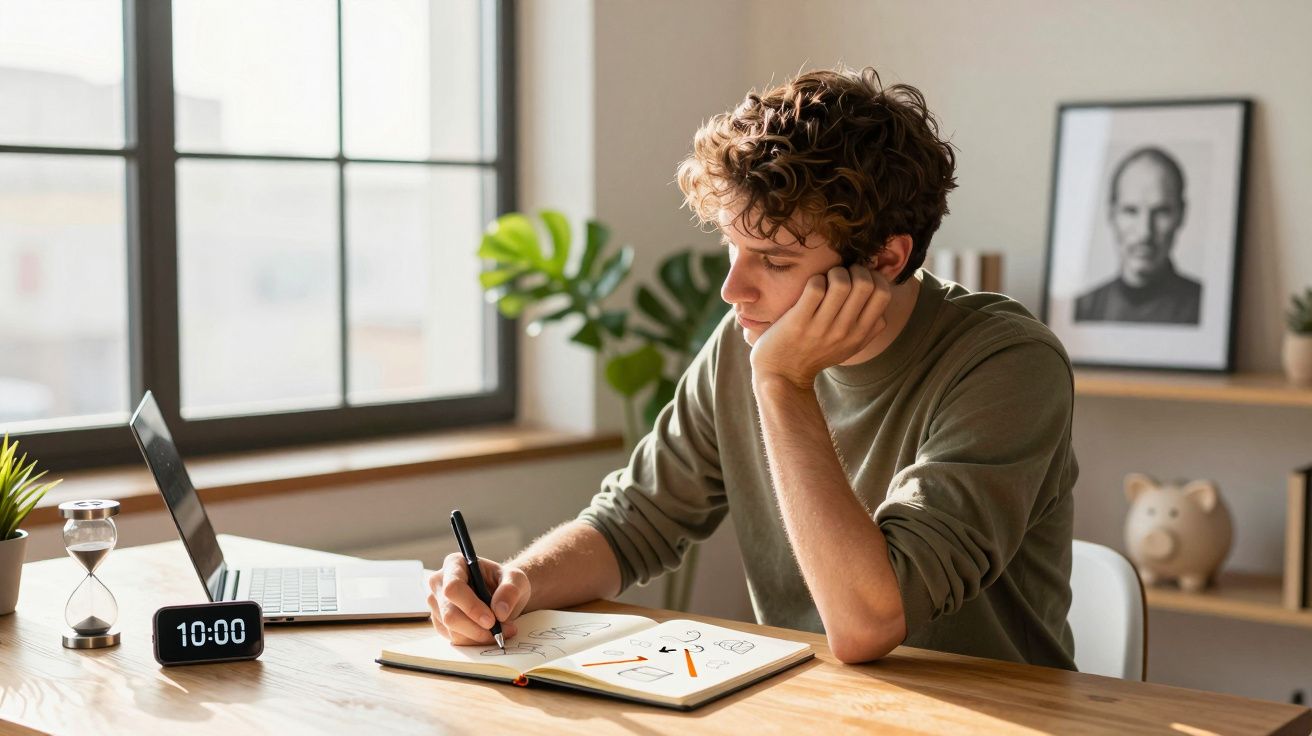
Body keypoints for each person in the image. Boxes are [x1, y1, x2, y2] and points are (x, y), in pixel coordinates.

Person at [427, 66, 1079, 669]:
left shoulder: (1007, 365)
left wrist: (783, 384)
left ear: (884, 259)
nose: (732, 290)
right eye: (733, 249)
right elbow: (634, 523)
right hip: (809, 709)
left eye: (773, 260)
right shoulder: (750, 341)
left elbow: (870, 624)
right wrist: (518, 584)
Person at [1074, 147, 1202, 324]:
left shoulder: (1203, 308)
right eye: (1130, 211)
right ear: (1111, 214)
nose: (1145, 232)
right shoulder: (1083, 309)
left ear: (1181, 214)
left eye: (1161, 212)